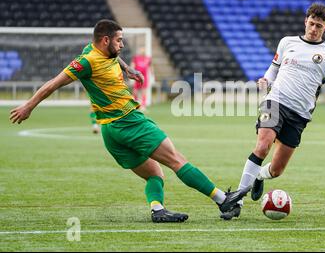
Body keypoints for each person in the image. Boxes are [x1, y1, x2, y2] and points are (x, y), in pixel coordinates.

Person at [10, 19, 249, 223]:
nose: (122, 45)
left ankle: (158, 210)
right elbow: (54, 83)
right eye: (119, 40)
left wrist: (128, 70)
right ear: (105, 40)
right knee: (176, 160)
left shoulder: (95, 52)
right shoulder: (86, 62)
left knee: (154, 174)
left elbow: (115, 60)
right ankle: (222, 199)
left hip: (110, 132)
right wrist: (29, 106)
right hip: (129, 121)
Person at [220, 3, 325, 220]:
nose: (314, 28)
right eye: (311, 23)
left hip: (300, 115)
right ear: (305, 21)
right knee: (262, 146)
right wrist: (266, 79)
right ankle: (236, 201)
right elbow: (274, 68)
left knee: (277, 170)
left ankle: (259, 176)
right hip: (275, 102)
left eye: (319, 25)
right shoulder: (287, 42)